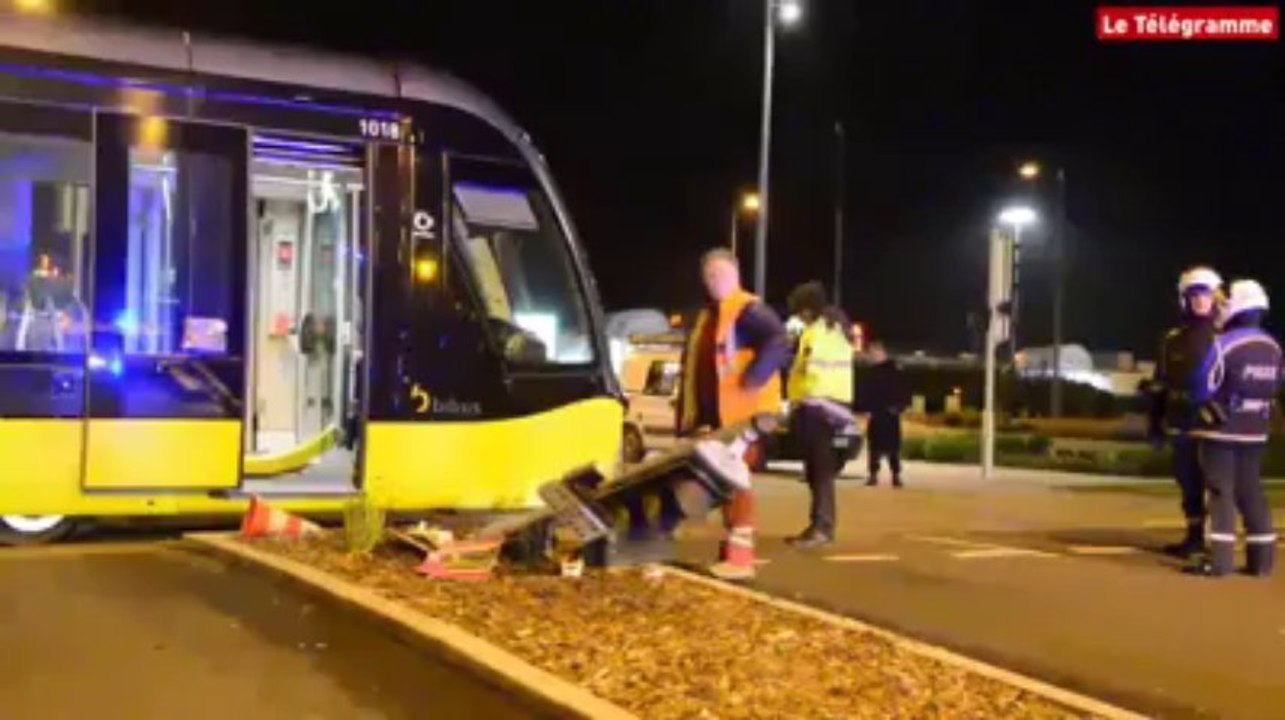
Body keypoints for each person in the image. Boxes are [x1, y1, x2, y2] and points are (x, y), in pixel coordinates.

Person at [673, 247, 790, 579]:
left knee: (736, 482)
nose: (715, 281)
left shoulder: (746, 310)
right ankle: (734, 554)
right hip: (726, 419)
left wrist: (754, 377)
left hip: (746, 417)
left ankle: (740, 559)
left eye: (721, 274)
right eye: (709, 276)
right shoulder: (715, 314)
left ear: (736, 275)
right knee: (727, 483)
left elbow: (779, 339)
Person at [1186, 279, 1280, 578]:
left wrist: (1203, 404)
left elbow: (1202, 383)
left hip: (1222, 429)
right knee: (1252, 490)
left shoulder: (1225, 343)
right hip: (1256, 430)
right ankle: (1261, 561)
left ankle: (1221, 561)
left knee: (1220, 492)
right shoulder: (1273, 346)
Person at [1145, 266, 1222, 557]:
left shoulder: (1225, 338)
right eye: (1195, 296)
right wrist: (1154, 422)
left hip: (1215, 425)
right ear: (1184, 299)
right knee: (1188, 483)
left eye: (1206, 295)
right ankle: (1194, 537)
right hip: (1181, 423)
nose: (1201, 301)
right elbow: (1159, 384)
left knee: (1218, 484)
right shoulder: (1171, 340)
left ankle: (1220, 543)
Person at [783, 281, 855, 549]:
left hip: (818, 407)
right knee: (817, 472)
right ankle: (818, 525)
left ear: (807, 310)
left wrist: (797, 399)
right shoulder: (838, 330)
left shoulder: (817, 332)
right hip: (834, 407)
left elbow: (809, 371)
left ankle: (822, 528)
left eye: (799, 311)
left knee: (820, 472)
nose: (798, 317)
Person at [858, 340, 910, 488]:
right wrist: (865, 409)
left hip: (890, 414)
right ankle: (873, 475)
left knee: (893, 449)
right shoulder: (871, 372)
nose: (871, 356)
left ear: (881, 353)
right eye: (870, 353)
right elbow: (866, 393)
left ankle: (896, 475)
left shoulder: (895, 370)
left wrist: (899, 407)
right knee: (874, 448)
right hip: (876, 414)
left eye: (873, 353)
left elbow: (903, 391)